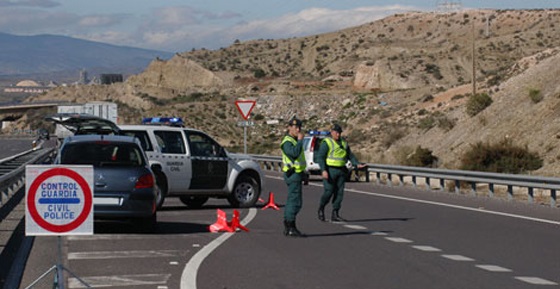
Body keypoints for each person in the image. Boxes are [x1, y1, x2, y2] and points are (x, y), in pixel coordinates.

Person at [317, 123, 366, 222]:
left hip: (341, 170)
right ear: (332, 132)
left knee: (339, 193)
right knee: (329, 191)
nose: (338, 135)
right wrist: (323, 170)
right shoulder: (327, 142)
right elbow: (320, 157)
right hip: (330, 170)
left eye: (339, 133)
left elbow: (350, 155)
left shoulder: (344, 143)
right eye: (336, 132)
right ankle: (321, 208)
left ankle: (335, 213)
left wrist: (357, 164)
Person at [280, 117, 307, 237]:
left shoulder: (294, 141)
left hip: (297, 173)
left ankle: (290, 225)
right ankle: (290, 226)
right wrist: (301, 141)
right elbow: (294, 153)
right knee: (294, 202)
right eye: (295, 127)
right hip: (292, 174)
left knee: (295, 201)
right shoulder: (288, 142)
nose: (298, 129)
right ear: (289, 127)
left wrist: (304, 174)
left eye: (299, 127)